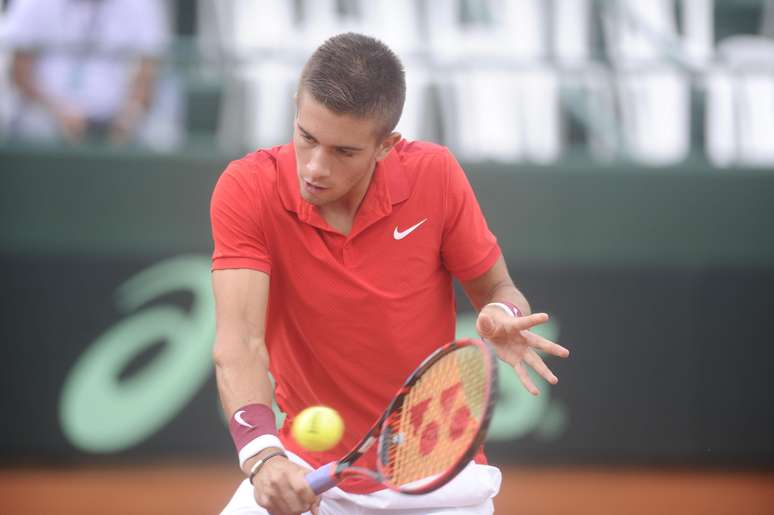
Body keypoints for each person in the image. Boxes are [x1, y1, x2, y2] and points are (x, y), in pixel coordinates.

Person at [210, 32, 570, 515]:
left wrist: (502, 313)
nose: (315, 167)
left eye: (343, 152)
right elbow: (240, 342)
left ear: (386, 146)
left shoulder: (435, 175)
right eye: (307, 137)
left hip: (440, 481)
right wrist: (264, 456)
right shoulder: (249, 188)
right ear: (297, 106)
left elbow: (501, 291)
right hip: (309, 473)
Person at [2, 0, 168, 144]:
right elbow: (19, 71)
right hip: (42, 127)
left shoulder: (142, 4)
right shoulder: (33, 3)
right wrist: (59, 113)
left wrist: (128, 115)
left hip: (115, 129)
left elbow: (148, 71)